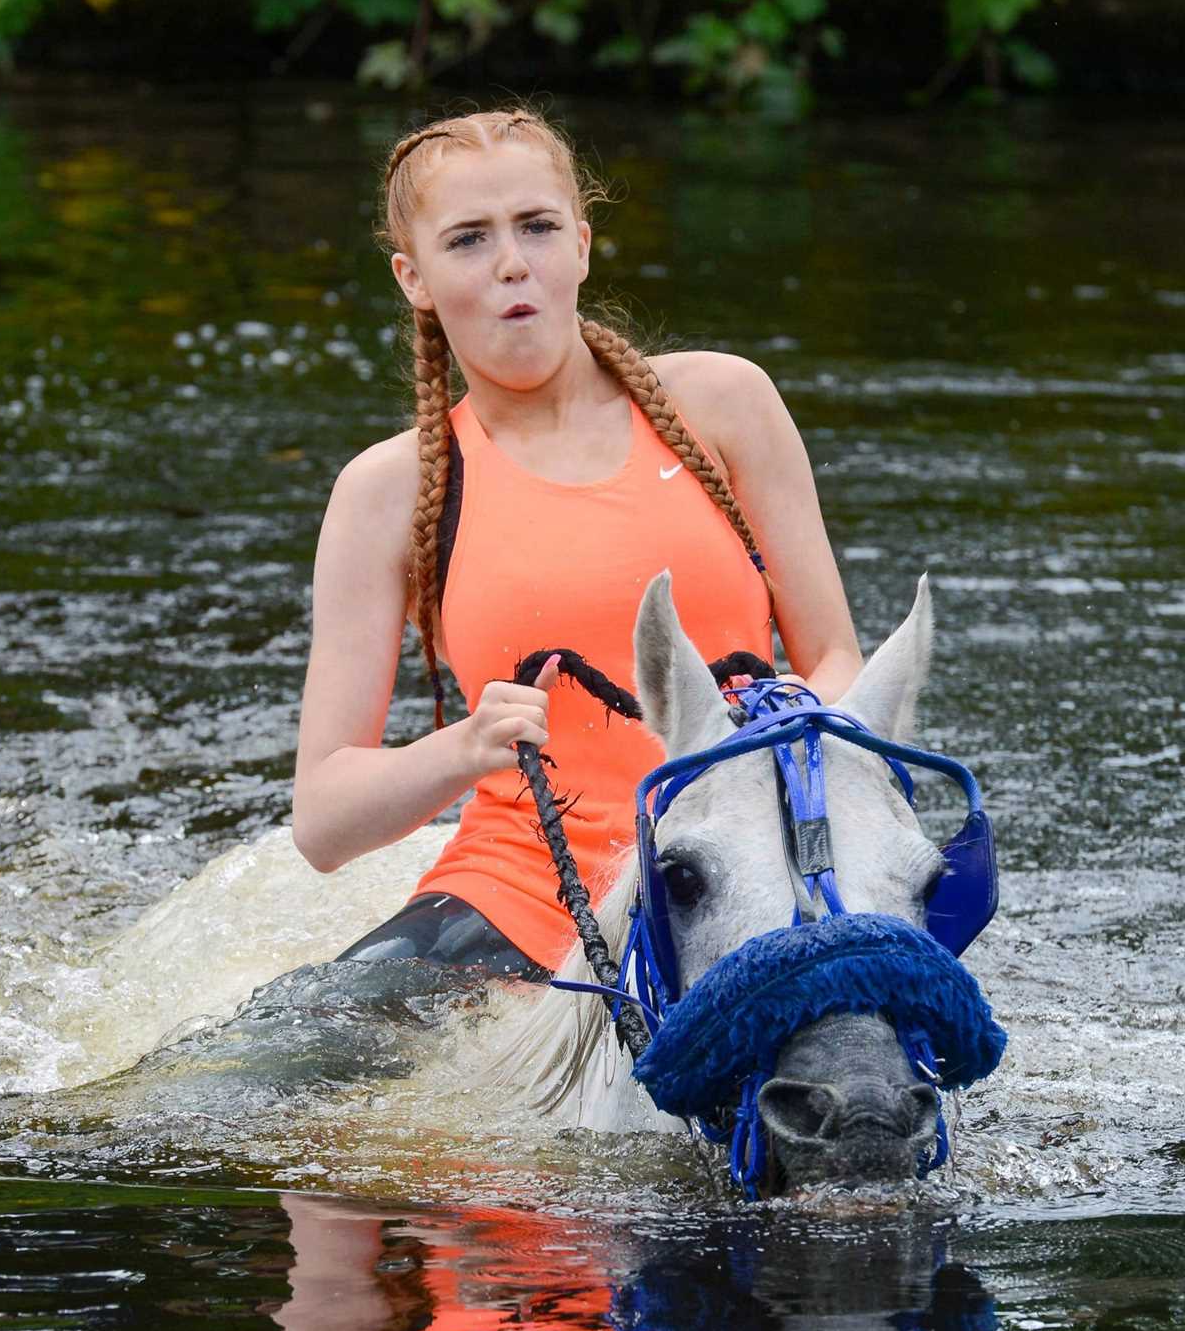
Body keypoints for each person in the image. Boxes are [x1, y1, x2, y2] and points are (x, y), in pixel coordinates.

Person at [292, 106, 861, 979]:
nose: (513, 262)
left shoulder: (725, 404)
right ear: (414, 277)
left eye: (537, 227)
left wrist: (800, 732)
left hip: (736, 878)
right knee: (245, 1079)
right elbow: (325, 823)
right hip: (517, 898)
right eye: (469, 240)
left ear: (584, 246)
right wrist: (464, 748)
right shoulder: (387, 491)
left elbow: (836, 660)